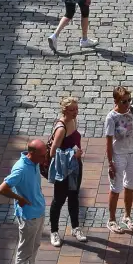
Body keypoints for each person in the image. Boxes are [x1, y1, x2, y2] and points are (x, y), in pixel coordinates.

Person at [0, 139, 50, 264]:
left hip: (38, 212)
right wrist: (19, 198)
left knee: (34, 248)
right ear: (31, 153)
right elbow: (2, 188)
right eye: (42, 156)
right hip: (28, 217)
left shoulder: (34, 163)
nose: (44, 159)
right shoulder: (20, 169)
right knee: (24, 252)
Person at [103, 86, 133, 233]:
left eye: (129, 100)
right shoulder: (111, 118)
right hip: (119, 155)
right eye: (124, 101)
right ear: (116, 101)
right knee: (116, 188)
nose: (127, 104)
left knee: (130, 186)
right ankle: (111, 220)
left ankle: (127, 216)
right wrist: (110, 163)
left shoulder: (131, 111)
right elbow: (108, 143)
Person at [47, 97, 86, 246]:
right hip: (63, 169)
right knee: (59, 200)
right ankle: (54, 231)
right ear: (65, 110)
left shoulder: (73, 121)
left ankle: (75, 227)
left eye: (76, 109)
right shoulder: (61, 128)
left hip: (75, 166)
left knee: (74, 196)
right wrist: (72, 153)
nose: (75, 112)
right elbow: (53, 152)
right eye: (72, 110)